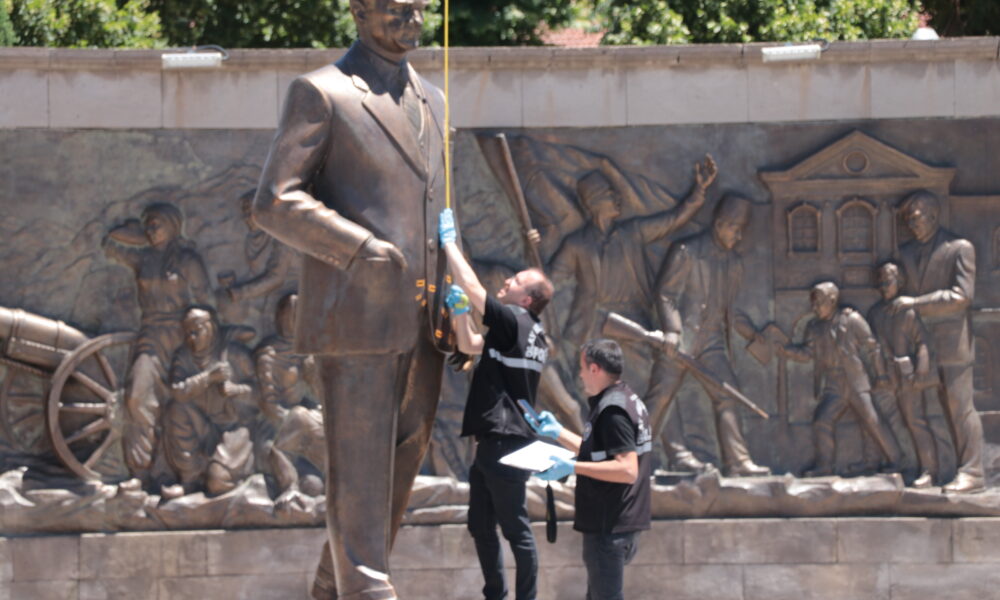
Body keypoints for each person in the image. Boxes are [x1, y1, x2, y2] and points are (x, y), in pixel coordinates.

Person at [251, 1, 457, 596]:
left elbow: (441, 216)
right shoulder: (322, 93)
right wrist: (360, 246)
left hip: (425, 318)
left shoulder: (435, 101)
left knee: (402, 463)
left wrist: (462, 299)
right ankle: (367, 588)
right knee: (361, 469)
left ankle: (329, 584)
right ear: (359, 11)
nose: (414, 18)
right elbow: (275, 201)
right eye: (398, 9)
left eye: (420, 7)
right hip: (356, 316)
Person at [548, 156, 716, 471]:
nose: (617, 198)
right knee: (599, 398)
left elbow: (674, 219)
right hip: (595, 329)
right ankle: (604, 459)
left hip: (635, 325)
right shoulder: (577, 244)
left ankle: (676, 454)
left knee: (658, 385)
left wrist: (699, 192)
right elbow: (548, 284)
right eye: (609, 194)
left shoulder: (633, 232)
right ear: (593, 203)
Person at [439, 207, 554, 600]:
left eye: (516, 280)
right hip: (496, 442)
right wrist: (460, 315)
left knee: (516, 529)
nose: (507, 281)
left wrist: (450, 245)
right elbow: (471, 344)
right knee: (481, 524)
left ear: (527, 298)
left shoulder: (515, 321)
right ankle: (496, 594)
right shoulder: (527, 331)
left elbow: (474, 288)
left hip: (505, 440)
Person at [647, 195, 770, 476]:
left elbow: (730, 311)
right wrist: (672, 331)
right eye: (735, 229)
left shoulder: (734, 263)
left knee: (727, 394)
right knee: (660, 398)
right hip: (682, 340)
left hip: (712, 343)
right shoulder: (687, 251)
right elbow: (666, 294)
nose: (739, 236)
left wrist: (752, 333)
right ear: (719, 224)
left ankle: (738, 463)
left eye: (742, 230)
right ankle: (627, 458)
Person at [529, 339, 652, 600]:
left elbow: (627, 468)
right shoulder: (625, 399)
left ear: (595, 369)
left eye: (582, 368)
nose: (580, 375)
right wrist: (558, 433)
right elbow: (599, 451)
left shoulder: (613, 411)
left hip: (610, 527)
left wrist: (572, 467)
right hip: (618, 524)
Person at [102, 203, 212, 488]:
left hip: (183, 336)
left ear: (173, 226)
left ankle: (187, 473)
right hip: (150, 334)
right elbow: (109, 244)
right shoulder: (143, 258)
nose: (151, 230)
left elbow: (207, 303)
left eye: (156, 225)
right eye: (147, 226)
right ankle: (139, 472)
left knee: (179, 403)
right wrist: (138, 235)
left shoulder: (188, 260)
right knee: (137, 398)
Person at [895, 190, 984, 493]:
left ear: (933, 215)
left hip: (953, 345)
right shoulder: (906, 252)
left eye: (915, 217)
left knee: (960, 408)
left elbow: (962, 296)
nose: (911, 224)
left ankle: (973, 472)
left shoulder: (960, 248)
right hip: (920, 345)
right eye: (907, 219)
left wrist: (916, 303)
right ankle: (937, 469)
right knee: (930, 410)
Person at [778, 282, 899, 476]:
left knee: (871, 420)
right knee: (822, 420)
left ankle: (894, 460)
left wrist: (881, 375)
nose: (814, 308)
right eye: (813, 303)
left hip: (855, 380)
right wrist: (787, 351)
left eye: (819, 303)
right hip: (833, 383)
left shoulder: (852, 320)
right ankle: (825, 465)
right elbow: (808, 353)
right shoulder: (814, 327)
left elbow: (873, 347)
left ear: (832, 301)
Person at [161, 306, 257, 499]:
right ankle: (189, 480)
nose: (191, 337)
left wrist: (237, 390)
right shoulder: (183, 356)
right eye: (188, 332)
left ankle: (244, 479)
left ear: (211, 328)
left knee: (217, 484)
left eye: (197, 331)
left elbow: (260, 394)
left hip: (233, 428)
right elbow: (177, 391)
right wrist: (208, 377)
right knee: (176, 409)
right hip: (201, 426)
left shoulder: (234, 353)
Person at [867, 262, 938, 488]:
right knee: (889, 420)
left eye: (888, 281)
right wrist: (880, 374)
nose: (883, 286)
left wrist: (920, 371)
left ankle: (929, 470)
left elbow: (923, 342)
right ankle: (901, 461)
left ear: (899, 283)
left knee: (915, 421)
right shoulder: (875, 313)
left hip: (908, 376)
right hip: (885, 376)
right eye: (880, 282)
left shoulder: (907, 311)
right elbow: (873, 346)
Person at [253, 293, 325, 509]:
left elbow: (320, 395)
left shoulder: (313, 351)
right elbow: (269, 405)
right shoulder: (269, 355)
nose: (294, 321)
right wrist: (298, 421)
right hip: (277, 430)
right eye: (290, 315)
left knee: (314, 485)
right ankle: (288, 489)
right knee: (310, 484)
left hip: (309, 430)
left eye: (300, 315)